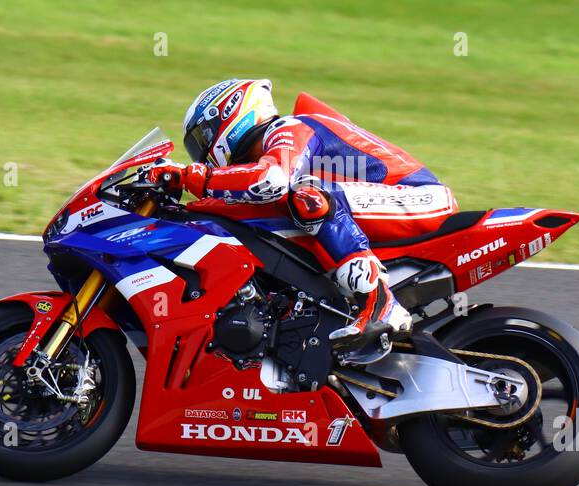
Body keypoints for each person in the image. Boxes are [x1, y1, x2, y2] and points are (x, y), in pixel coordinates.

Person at [146, 78, 457, 364]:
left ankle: (379, 302)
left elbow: (273, 178)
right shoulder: (271, 146)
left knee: (307, 196)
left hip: (421, 199)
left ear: (232, 115)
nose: (200, 153)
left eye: (202, 139)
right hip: (383, 204)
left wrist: (191, 176)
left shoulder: (288, 128)